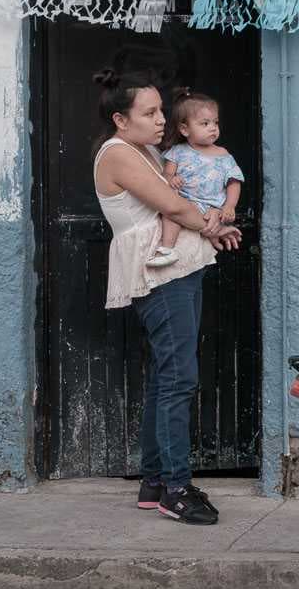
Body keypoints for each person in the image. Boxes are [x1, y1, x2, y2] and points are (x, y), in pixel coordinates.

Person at [91, 69, 242, 525]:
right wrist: (215, 226)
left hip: (180, 267)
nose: (160, 120)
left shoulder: (149, 151)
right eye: (149, 113)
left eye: (161, 111)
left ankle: (155, 480)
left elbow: (186, 199)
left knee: (166, 375)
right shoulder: (118, 155)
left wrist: (209, 225)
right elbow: (174, 206)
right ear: (121, 119)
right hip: (161, 276)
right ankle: (176, 489)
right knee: (179, 378)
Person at [149, 88, 245, 269]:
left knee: (211, 222)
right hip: (187, 203)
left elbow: (234, 181)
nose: (213, 128)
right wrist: (171, 178)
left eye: (215, 122)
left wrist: (229, 206)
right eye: (205, 123)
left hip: (213, 207)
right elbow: (166, 175)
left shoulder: (223, 154)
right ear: (185, 129)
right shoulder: (178, 152)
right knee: (170, 214)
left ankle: (210, 235)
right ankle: (167, 249)